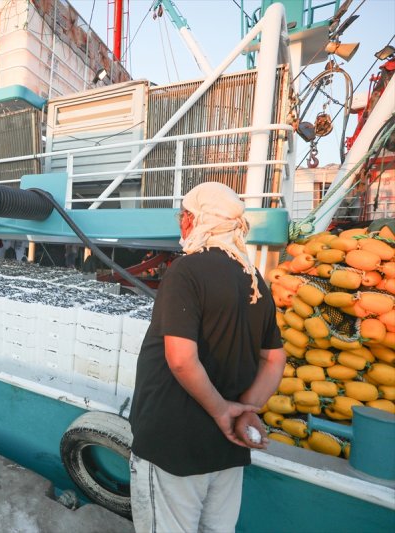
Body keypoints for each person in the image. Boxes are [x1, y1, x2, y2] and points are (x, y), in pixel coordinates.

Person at [127, 182, 286, 532]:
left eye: (182, 216)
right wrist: (245, 412)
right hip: (226, 451)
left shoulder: (186, 272)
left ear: (192, 220)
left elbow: (181, 359)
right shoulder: (254, 280)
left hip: (174, 447)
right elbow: (274, 360)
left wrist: (222, 412)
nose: (181, 224)